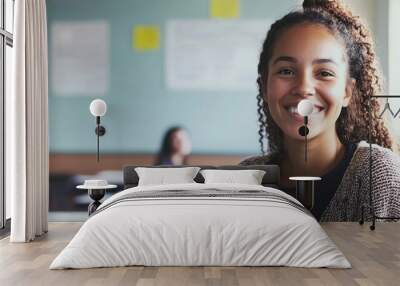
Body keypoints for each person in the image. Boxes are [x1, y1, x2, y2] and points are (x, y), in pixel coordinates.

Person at [240, 0, 400, 222]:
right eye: (286, 71)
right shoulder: (244, 180)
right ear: (264, 86)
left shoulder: (379, 175)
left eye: (324, 73)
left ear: (346, 92)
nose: (304, 88)